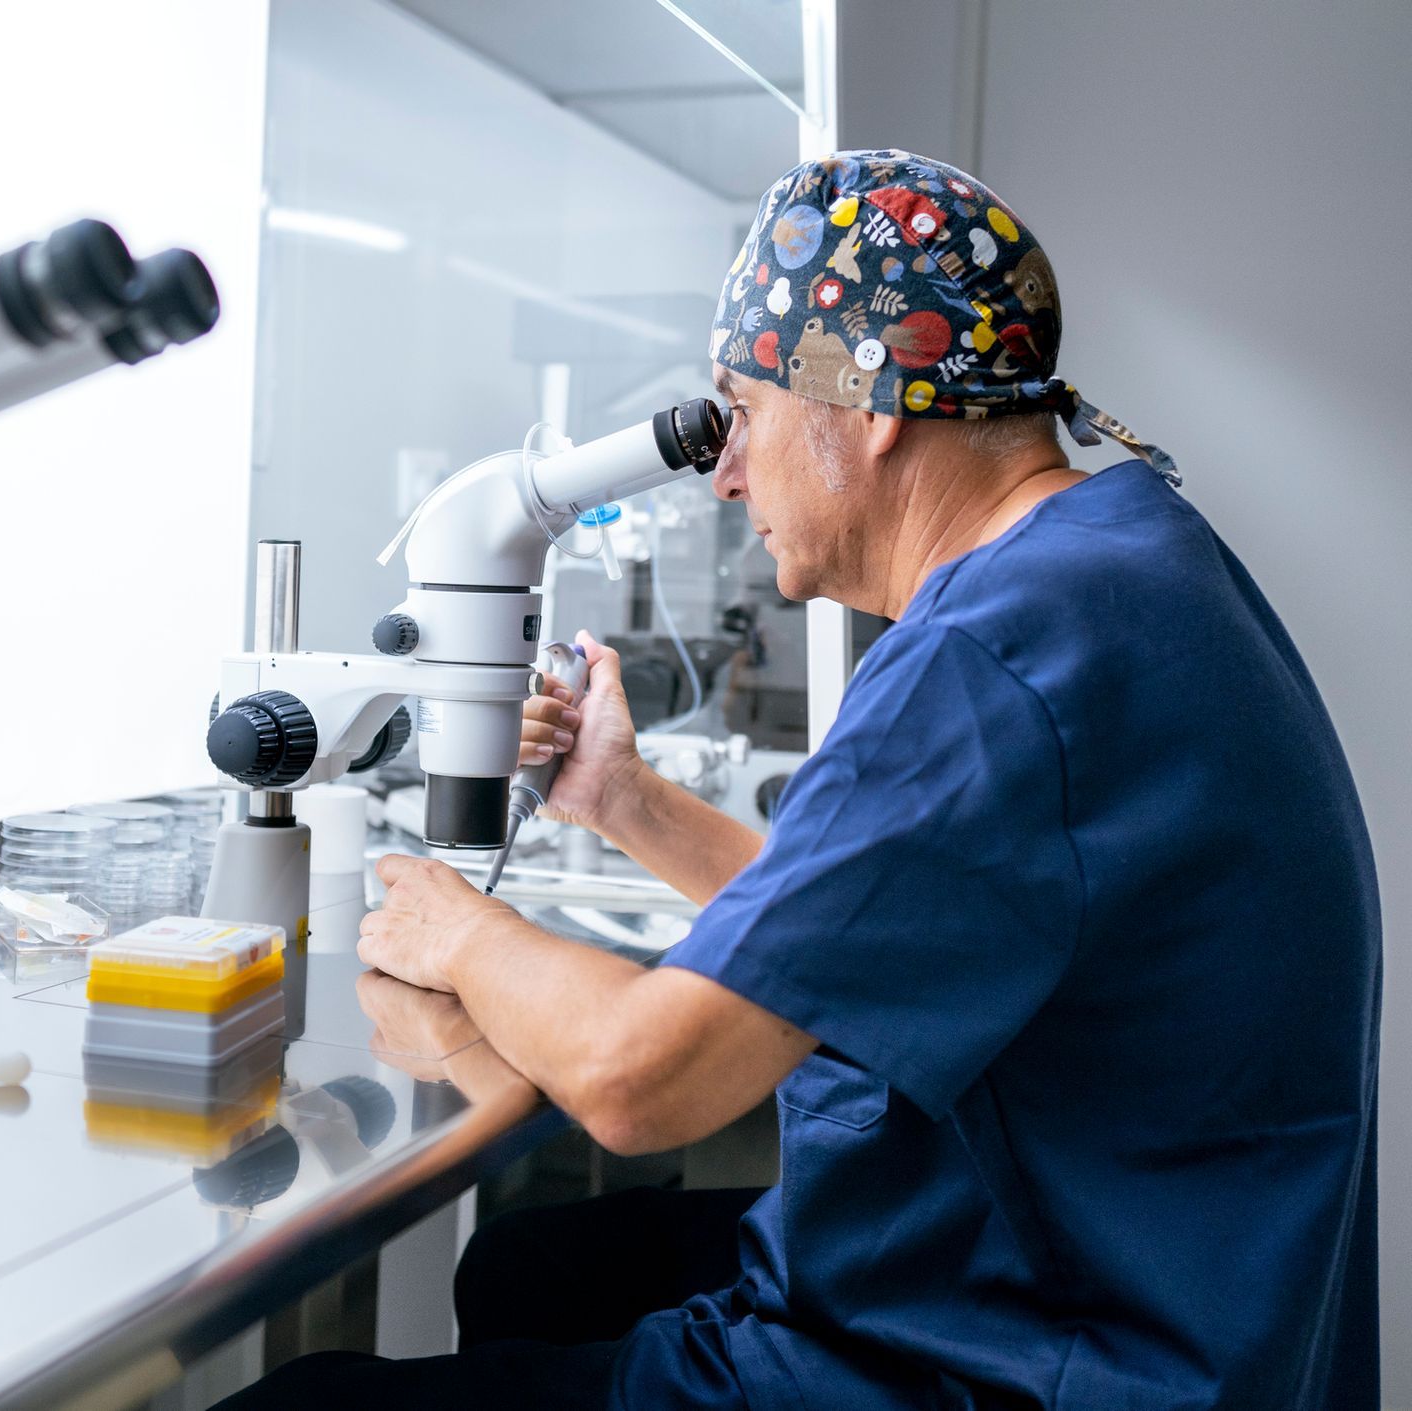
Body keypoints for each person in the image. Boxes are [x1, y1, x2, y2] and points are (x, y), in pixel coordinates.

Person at [215, 150, 1381, 1410]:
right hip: (1159, 1295)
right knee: (536, 1268)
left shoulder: (985, 655)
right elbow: (880, 916)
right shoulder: (1113, 563)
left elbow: (640, 1079)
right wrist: (626, 800)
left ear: (872, 406)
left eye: (746, 413)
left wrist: (463, 928)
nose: (723, 473)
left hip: (1031, 1354)